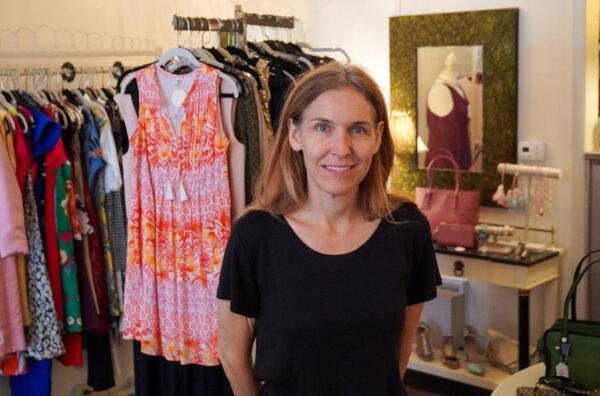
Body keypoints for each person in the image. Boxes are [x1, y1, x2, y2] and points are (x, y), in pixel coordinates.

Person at [217, 62, 442, 396]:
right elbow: (233, 355)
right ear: (295, 135)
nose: (342, 148)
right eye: (322, 127)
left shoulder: (407, 228)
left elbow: (398, 353)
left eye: (358, 129)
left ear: (378, 136)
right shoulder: (255, 235)